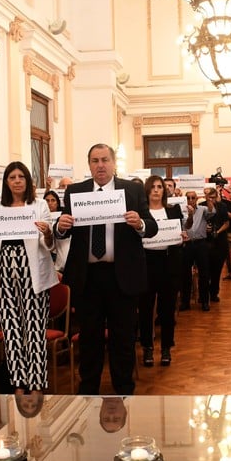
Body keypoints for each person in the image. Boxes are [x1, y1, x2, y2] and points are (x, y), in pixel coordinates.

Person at [55, 143, 158, 395]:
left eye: (104, 160)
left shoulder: (132, 190)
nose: (100, 165)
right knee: (89, 339)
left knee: (122, 337)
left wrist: (140, 224)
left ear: (113, 163)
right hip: (87, 277)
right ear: (88, 164)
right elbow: (64, 229)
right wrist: (61, 225)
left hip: (121, 275)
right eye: (94, 160)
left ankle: (124, 389)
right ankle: (88, 391)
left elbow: (152, 227)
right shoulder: (75, 192)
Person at [0, 161, 58, 395]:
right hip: (4, 268)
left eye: (20, 177)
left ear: (27, 181)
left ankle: (36, 383)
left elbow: (50, 244)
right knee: (11, 329)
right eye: (12, 177)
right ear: (6, 182)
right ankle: (18, 383)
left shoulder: (40, 205)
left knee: (34, 328)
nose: (16, 181)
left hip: (33, 270)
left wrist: (47, 232)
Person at [139, 175, 184, 367]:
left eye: (160, 187)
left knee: (167, 309)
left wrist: (182, 237)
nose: (157, 190)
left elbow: (179, 235)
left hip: (168, 263)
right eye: (153, 187)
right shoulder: (141, 213)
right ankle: (147, 348)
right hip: (146, 263)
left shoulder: (173, 211)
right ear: (147, 190)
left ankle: (166, 348)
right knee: (146, 309)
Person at [179, 190, 210, 311]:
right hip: (187, 244)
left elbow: (212, 213)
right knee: (185, 274)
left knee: (204, 273)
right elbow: (186, 226)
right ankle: (185, 302)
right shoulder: (181, 210)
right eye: (188, 198)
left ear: (197, 199)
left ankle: (204, 301)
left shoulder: (203, 209)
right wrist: (190, 215)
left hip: (201, 244)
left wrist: (209, 198)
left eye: (193, 198)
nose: (190, 200)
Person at [202, 186, 230, 303]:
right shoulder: (202, 206)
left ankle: (214, 293)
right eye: (209, 198)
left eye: (213, 198)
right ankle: (204, 295)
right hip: (206, 243)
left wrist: (217, 232)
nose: (211, 200)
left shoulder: (222, 206)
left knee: (216, 271)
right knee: (205, 271)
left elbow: (227, 223)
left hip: (220, 243)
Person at [43, 190, 69, 271]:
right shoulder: (41, 217)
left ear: (57, 203)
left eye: (53, 200)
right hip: (46, 251)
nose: (50, 203)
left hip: (60, 253)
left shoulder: (64, 216)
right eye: (47, 201)